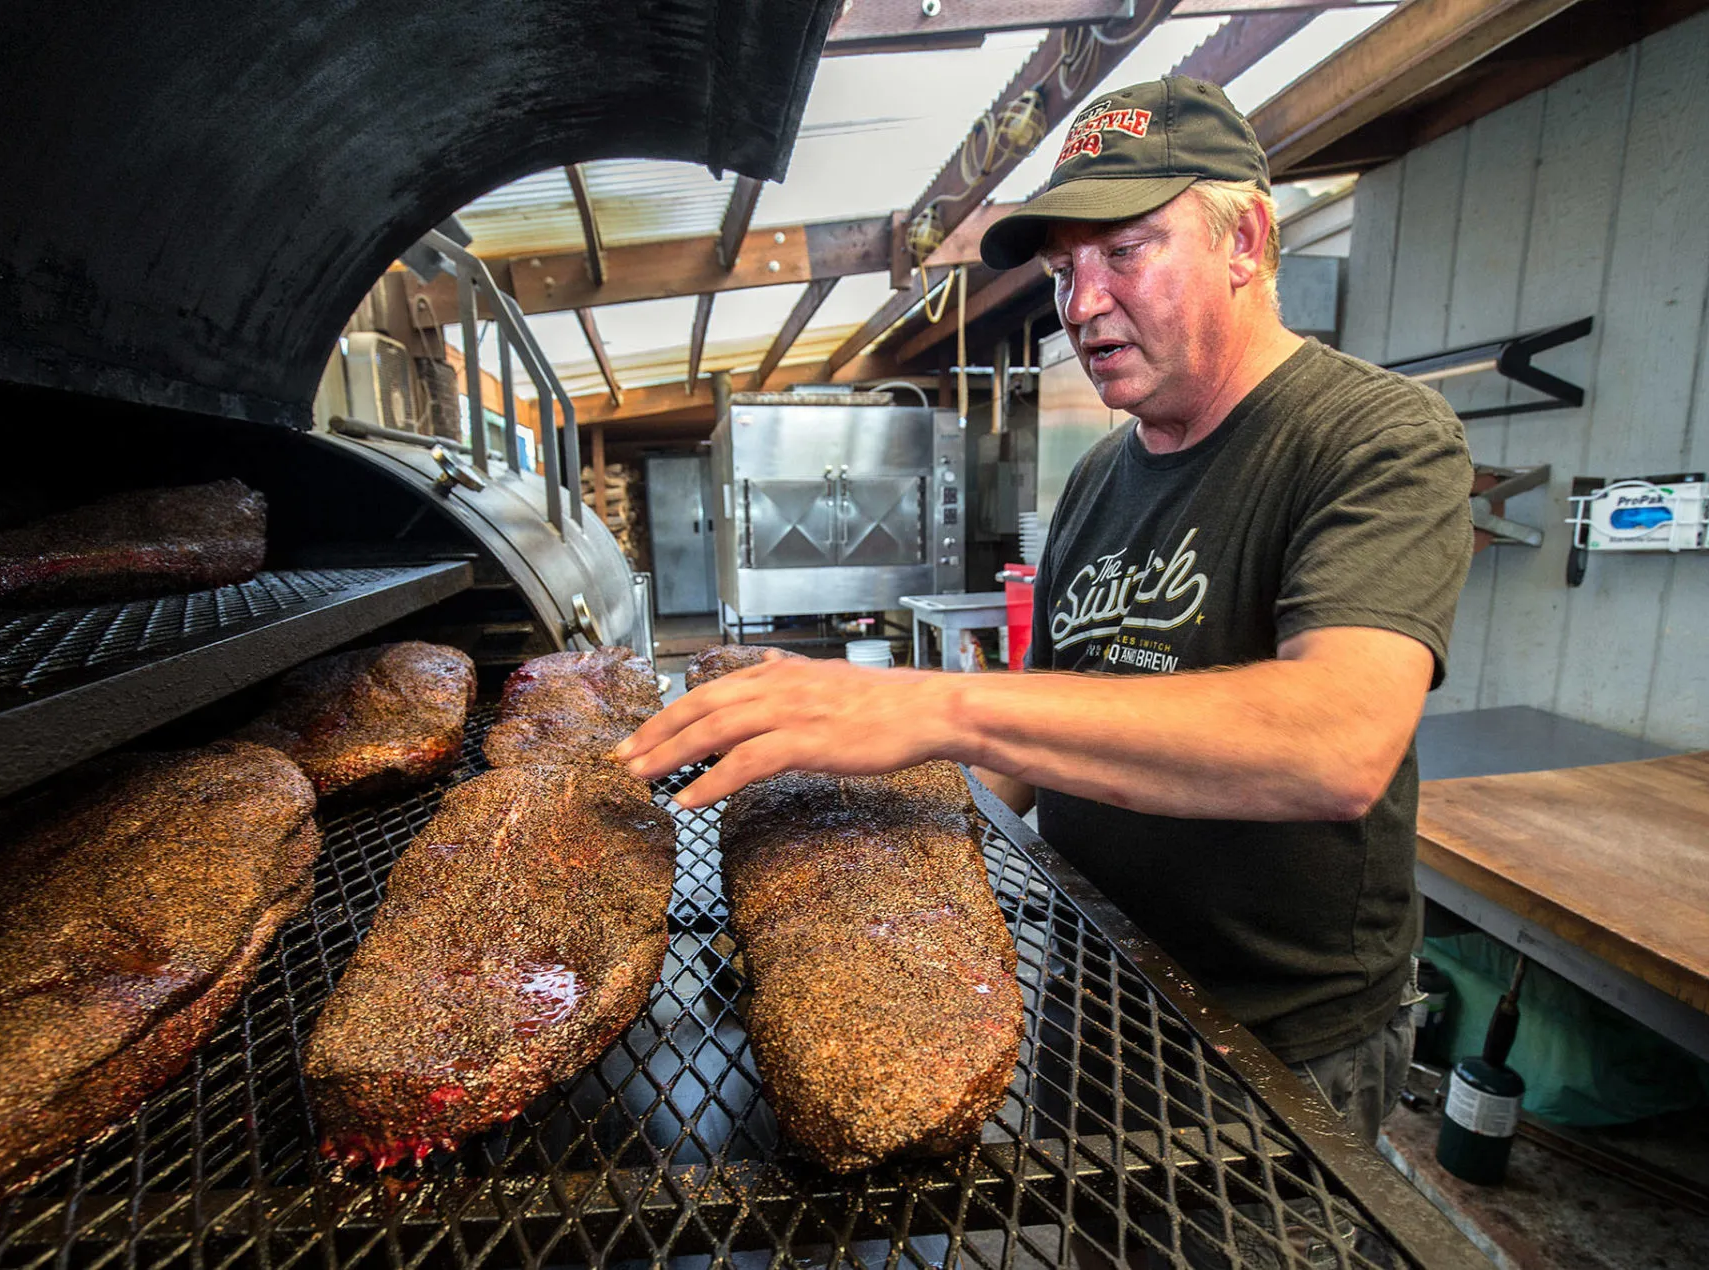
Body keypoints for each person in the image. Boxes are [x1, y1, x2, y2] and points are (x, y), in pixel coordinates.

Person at [616, 75, 1473, 1148]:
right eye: (1067, 268)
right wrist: (851, 814)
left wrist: (943, 709)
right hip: (1102, 976)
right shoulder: (1102, 479)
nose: (1081, 302)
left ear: (1246, 239)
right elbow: (1037, 735)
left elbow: (1338, 743)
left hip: (1278, 1039)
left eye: (1126, 250)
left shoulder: (1372, 437)